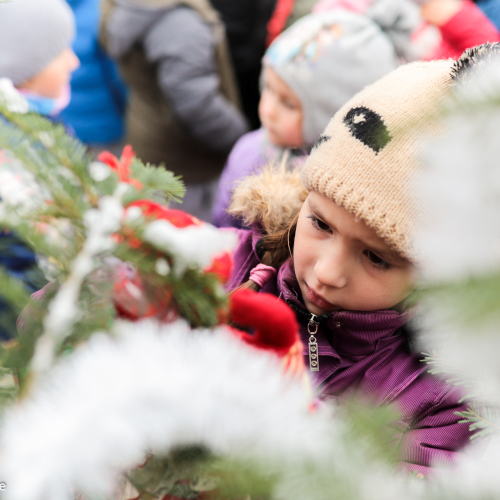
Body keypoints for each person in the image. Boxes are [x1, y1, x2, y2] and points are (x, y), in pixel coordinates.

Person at [224, 46, 495, 474]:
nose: (327, 272)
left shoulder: (443, 404)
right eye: (320, 224)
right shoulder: (225, 267)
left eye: (376, 257)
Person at [212, 10, 413, 228]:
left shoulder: (342, 189)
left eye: (288, 103)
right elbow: (223, 227)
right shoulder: (249, 152)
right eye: (268, 87)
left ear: (334, 116)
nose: (269, 110)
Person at [100, 0, 248, 222]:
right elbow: (197, 105)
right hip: (186, 162)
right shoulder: (179, 25)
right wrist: (241, 138)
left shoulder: (126, 6)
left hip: (147, 132)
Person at [0, 0, 79, 338]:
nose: (73, 61)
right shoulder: (15, 161)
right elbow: (22, 264)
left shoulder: (35, 123)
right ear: (26, 70)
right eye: (59, 52)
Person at [59, 0, 127, 157]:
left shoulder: (40, 10)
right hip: (104, 130)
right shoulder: (101, 11)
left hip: (61, 129)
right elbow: (117, 77)